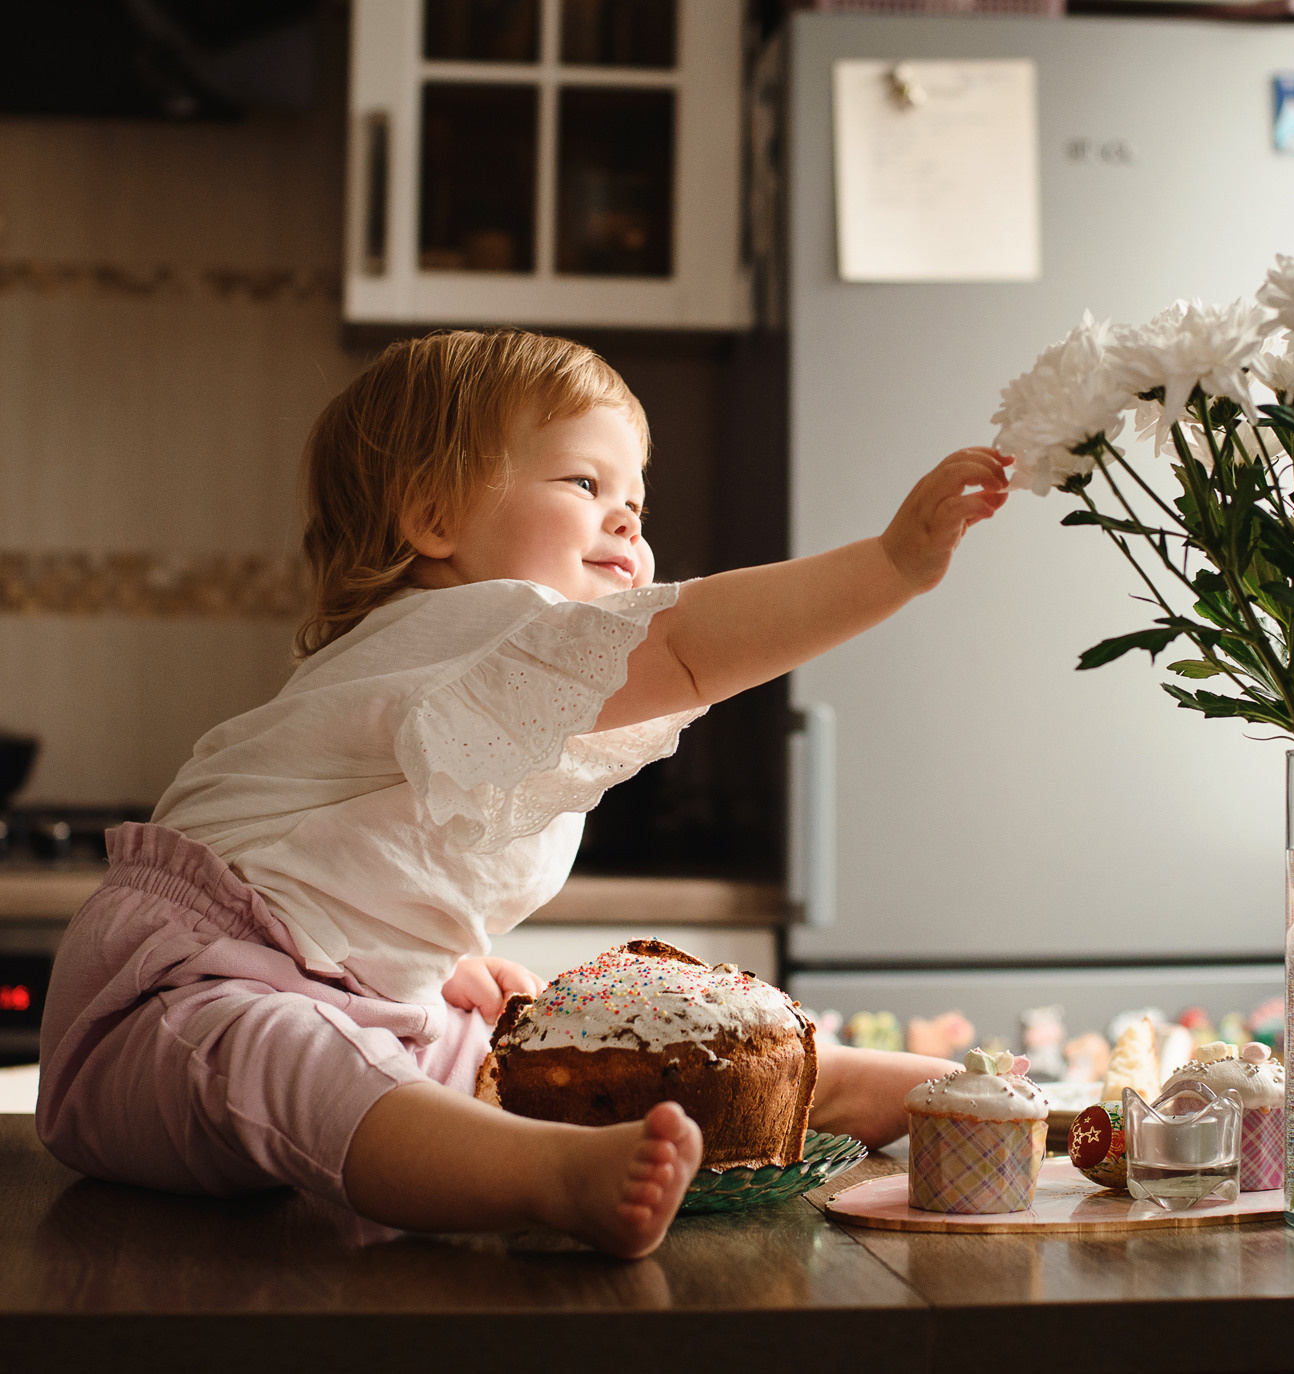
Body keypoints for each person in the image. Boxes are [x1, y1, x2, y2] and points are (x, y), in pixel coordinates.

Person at [35, 329, 1005, 1258]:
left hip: (342, 996)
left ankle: (790, 1084)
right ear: (435, 520)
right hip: (160, 1011)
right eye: (585, 484)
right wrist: (885, 567)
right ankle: (549, 1178)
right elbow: (681, 640)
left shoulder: (478, 675)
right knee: (276, 1049)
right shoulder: (469, 624)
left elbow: (348, 866)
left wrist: (439, 964)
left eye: (636, 499)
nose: (626, 519)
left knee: (517, 1062)